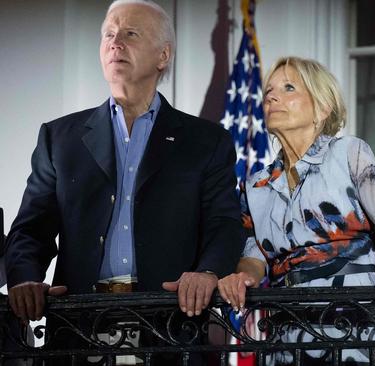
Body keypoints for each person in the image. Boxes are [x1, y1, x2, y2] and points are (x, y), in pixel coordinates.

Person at [216, 56, 375, 365]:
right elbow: (254, 253)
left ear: (322, 108)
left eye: (288, 88)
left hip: (353, 319)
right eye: (269, 90)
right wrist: (242, 277)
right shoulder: (256, 184)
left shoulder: (348, 152)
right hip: (287, 324)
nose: (271, 96)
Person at [4, 0, 243, 325]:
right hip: (79, 325)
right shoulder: (59, 138)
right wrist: (24, 278)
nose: (115, 43)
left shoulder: (208, 141)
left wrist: (209, 272)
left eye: (131, 33)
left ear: (163, 55)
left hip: (170, 324)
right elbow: (30, 229)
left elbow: (224, 224)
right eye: (109, 34)